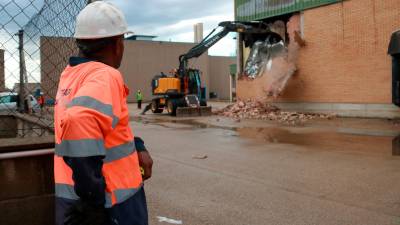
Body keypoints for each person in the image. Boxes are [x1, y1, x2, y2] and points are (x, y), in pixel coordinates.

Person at [54, 2, 153, 225]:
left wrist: (135, 144)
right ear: (118, 44)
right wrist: (92, 203)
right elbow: (80, 120)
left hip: (70, 202)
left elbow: (101, 126)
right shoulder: (106, 76)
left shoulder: (71, 74)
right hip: (114, 204)